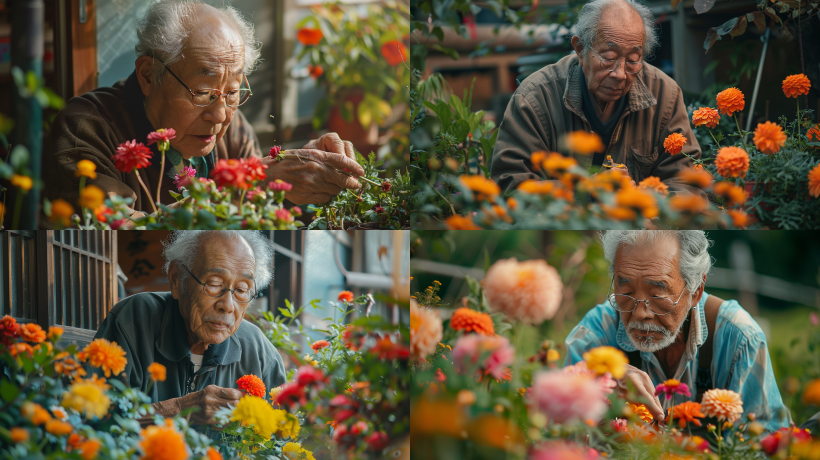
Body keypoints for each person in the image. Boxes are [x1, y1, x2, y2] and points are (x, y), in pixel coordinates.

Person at [41, 0, 364, 225]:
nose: (220, 114)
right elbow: (116, 228)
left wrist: (302, 176)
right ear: (149, 76)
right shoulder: (85, 128)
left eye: (233, 92)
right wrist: (255, 181)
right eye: (203, 93)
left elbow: (259, 211)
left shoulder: (232, 129)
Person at [564, 230, 791, 433]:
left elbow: (762, 444)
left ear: (695, 291)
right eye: (627, 291)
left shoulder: (738, 337)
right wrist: (601, 379)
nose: (641, 313)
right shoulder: (598, 330)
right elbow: (555, 424)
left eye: (658, 294)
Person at [491, 0, 701, 196]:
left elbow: (687, 182)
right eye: (609, 58)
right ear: (580, 49)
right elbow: (511, 186)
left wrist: (640, 201)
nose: (620, 73)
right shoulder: (536, 97)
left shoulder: (665, 94)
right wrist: (587, 190)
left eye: (633, 60)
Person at [92, 231, 285, 428]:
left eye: (242, 289)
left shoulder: (260, 353)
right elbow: (92, 424)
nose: (227, 305)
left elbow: (281, 438)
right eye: (214, 283)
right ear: (176, 278)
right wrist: (179, 409)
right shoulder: (133, 320)